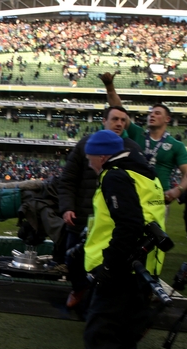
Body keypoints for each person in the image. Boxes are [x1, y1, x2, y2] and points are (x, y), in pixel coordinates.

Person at [81, 130, 165, 349]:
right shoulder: (146, 174)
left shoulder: (115, 177)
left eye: (90, 157)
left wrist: (109, 266)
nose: (89, 163)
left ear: (102, 155)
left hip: (121, 273)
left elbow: (128, 225)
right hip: (143, 270)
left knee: (100, 338)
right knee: (125, 341)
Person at [57, 106, 140, 309]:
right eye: (115, 119)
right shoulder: (85, 144)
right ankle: (78, 288)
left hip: (111, 221)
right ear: (104, 121)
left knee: (108, 262)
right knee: (74, 258)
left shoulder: (132, 148)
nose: (119, 123)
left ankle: (99, 299)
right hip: (82, 216)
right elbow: (68, 179)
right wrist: (67, 207)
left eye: (123, 120)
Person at [100, 72, 187, 208]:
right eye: (150, 113)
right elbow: (119, 111)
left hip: (157, 199)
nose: (152, 115)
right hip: (132, 194)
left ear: (167, 119)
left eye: (157, 113)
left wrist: (177, 191)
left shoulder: (176, 145)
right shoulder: (138, 134)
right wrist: (110, 87)